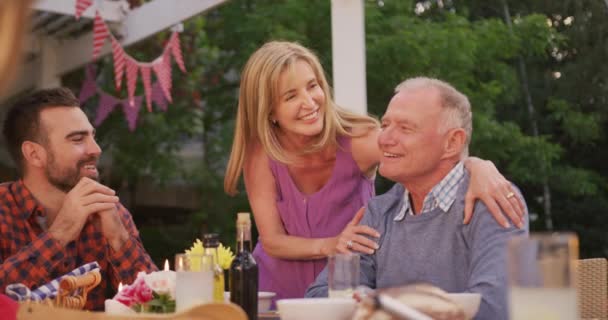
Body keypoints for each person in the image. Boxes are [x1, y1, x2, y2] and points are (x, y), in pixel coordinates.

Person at [223, 41, 525, 301]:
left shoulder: (358, 143)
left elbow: (433, 153)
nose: (309, 101)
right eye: (290, 96)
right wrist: (334, 245)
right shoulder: (262, 153)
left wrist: (478, 166)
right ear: (269, 111)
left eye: (313, 85)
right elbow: (273, 240)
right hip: (281, 285)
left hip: (350, 270)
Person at [306, 77, 528, 319]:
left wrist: (380, 304)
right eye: (385, 124)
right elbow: (321, 297)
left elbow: (492, 309)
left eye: (405, 128)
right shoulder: (378, 212)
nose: (384, 138)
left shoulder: (494, 201)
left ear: (452, 143)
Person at [0, 88, 158, 310]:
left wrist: (119, 239)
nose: (96, 149)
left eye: (93, 136)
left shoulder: (109, 210)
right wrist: (59, 234)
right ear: (34, 154)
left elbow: (157, 305)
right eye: (77, 139)